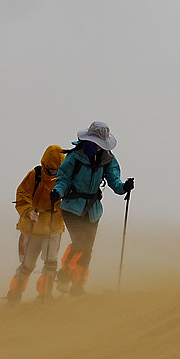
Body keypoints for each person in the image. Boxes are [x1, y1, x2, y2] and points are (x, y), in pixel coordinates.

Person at [50, 121, 134, 296]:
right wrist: (57, 192)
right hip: (72, 207)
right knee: (81, 243)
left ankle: (77, 286)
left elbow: (114, 181)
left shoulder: (108, 159)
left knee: (87, 249)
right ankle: (64, 274)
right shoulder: (74, 157)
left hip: (93, 210)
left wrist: (124, 187)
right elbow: (63, 179)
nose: (96, 147)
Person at [7, 145, 66, 305]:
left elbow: (69, 199)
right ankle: (14, 294)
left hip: (54, 227)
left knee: (51, 263)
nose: (54, 174)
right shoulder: (35, 175)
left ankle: (45, 294)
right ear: (45, 165)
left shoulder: (66, 177)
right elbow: (22, 195)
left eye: (57, 170)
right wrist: (29, 211)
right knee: (27, 265)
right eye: (52, 170)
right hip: (32, 227)